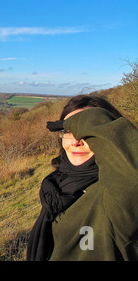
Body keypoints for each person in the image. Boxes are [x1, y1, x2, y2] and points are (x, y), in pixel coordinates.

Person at [27, 94, 138, 261]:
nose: (76, 141)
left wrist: (92, 118)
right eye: (67, 131)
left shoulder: (113, 195)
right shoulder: (57, 185)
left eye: (87, 132)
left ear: (108, 136)